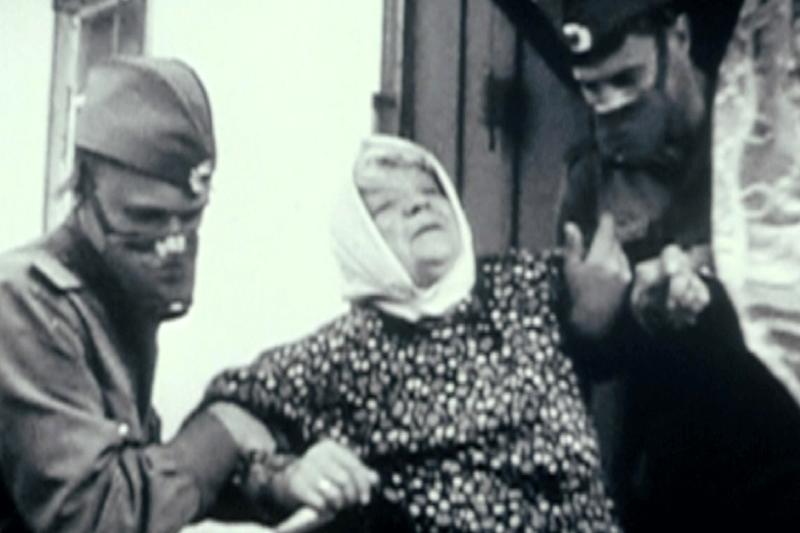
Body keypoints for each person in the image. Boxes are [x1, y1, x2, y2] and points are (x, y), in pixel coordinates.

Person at [204, 135, 620, 532]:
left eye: (430, 191)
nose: (419, 204)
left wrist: (608, 310)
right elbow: (220, 432)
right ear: (360, 240)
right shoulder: (343, 352)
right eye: (387, 206)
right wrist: (285, 477)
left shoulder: (529, 285)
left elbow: (625, 325)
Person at [0, 56, 277, 532]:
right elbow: (98, 516)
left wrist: (272, 482)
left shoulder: (107, 300)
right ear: (84, 190)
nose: (173, 244)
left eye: (190, 217)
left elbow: (139, 472)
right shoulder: (25, 303)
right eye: (146, 219)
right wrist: (219, 435)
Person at [553, 1, 800, 531]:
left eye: (628, 79)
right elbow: (582, 365)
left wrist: (715, 278)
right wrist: (594, 322)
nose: (610, 108)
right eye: (592, 89)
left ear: (680, 38)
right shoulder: (590, 179)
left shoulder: (770, 129)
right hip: (675, 472)